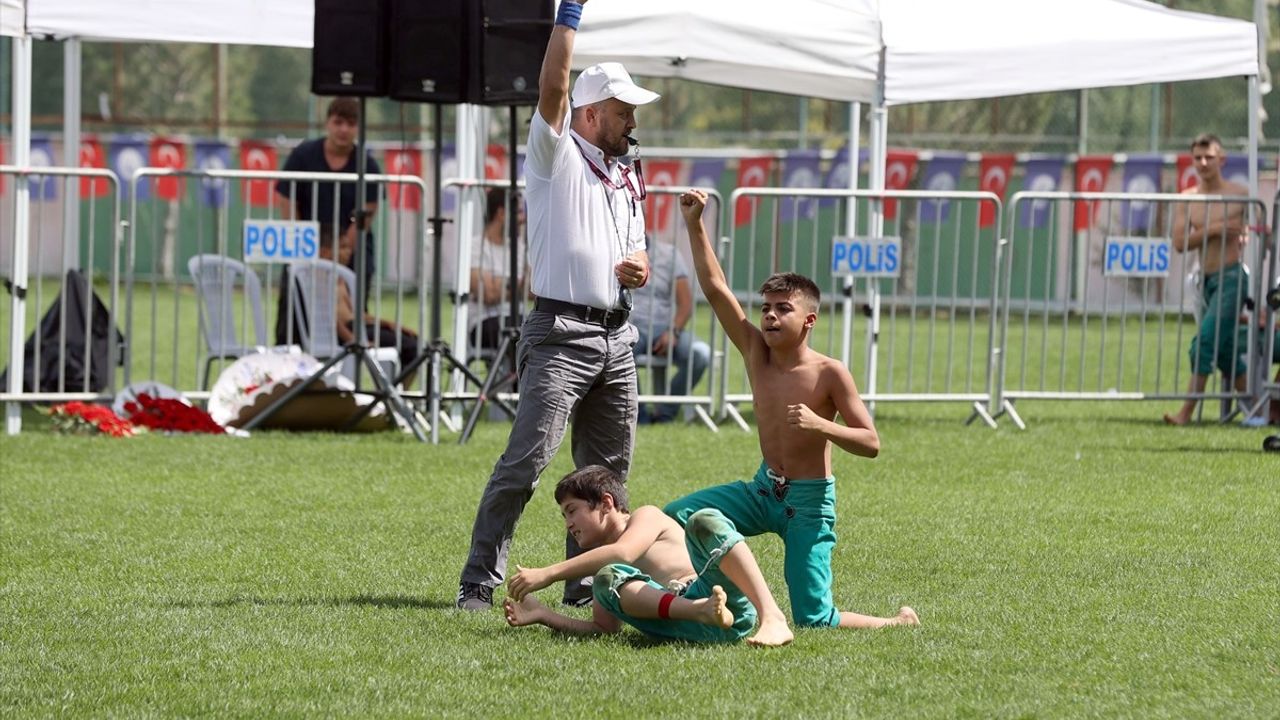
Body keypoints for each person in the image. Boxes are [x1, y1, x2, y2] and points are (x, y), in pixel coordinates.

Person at [456, 0, 656, 611]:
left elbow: (639, 254)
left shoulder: (627, 174)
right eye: (622, 112)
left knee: (607, 479)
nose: (631, 122)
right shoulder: (555, 155)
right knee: (527, 462)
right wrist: (568, 13)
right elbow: (552, 85)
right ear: (590, 113)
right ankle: (478, 583)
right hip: (560, 331)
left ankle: (587, 582)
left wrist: (639, 269)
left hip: (616, 336)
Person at [662, 188, 920, 631]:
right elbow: (716, 289)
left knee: (814, 619)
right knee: (678, 513)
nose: (770, 316)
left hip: (808, 503)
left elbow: (871, 443)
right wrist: (694, 223)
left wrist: (821, 424)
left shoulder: (830, 373)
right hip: (764, 490)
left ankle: (896, 622)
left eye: (783, 309)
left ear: (809, 320)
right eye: (766, 308)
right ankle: (708, 595)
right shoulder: (755, 352)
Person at [503, 465, 795, 647]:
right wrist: (543, 615)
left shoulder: (646, 516)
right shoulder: (606, 566)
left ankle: (771, 616)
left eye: (572, 510)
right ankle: (699, 610)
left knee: (703, 520)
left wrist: (548, 573)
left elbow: (624, 551)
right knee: (607, 578)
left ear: (606, 503)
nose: (568, 523)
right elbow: (603, 629)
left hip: (721, 600)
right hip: (684, 624)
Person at [1163, 133, 1251, 426]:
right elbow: (1179, 242)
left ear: (1221, 159)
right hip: (1206, 280)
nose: (1203, 163)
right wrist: (1215, 229)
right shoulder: (1188, 199)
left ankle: (1185, 413)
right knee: (1223, 349)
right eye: (1198, 158)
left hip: (1232, 277)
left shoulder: (1239, 194)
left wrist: (1238, 232)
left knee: (1203, 343)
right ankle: (1258, 412)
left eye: (1209, 157)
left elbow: (1245, 231)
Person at [274, 96, 382, 325]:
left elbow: (367, 213)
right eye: (338, 122)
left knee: (349, 321)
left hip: (352, 256)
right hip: (304, 251)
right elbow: (287, 200)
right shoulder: (302, 156)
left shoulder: (367, 164)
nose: (344, 130)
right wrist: (305, 248)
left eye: (351, 124)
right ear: (328, 123)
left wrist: (339, 254)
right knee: (293, 318)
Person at [315, 219, 421, 381]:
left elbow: (357, 314)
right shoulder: (318, 278)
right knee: (411, 347)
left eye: (348, 247)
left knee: (415, 342)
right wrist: (354, 340)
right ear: (323, 251)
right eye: (342, 247)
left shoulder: (340, 277)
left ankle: (397, 391)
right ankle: (394, 394)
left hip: (358, 327)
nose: (348, 252)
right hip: (348, 333)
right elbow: (330, 319)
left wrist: (389, 324)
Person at [630, 236, 711, 424]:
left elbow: (686, 303)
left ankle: (665, 413)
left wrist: (673, 331)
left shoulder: (669, 254)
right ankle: (638, 415)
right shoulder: (613, 248)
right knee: (620, 352)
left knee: (701, 354)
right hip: (629, 327)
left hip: (666, 327)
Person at [469, 187, 527, 361]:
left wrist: (501, 283)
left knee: (539, 332)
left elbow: (534, 290)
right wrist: (518, 282)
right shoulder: (474, 247)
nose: (523, 220)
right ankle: (516, 386)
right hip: (484, 321)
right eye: (518, 213)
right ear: (501, 214)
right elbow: (488, 294)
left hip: (519, 317)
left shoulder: (520, 246)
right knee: (521, 336)